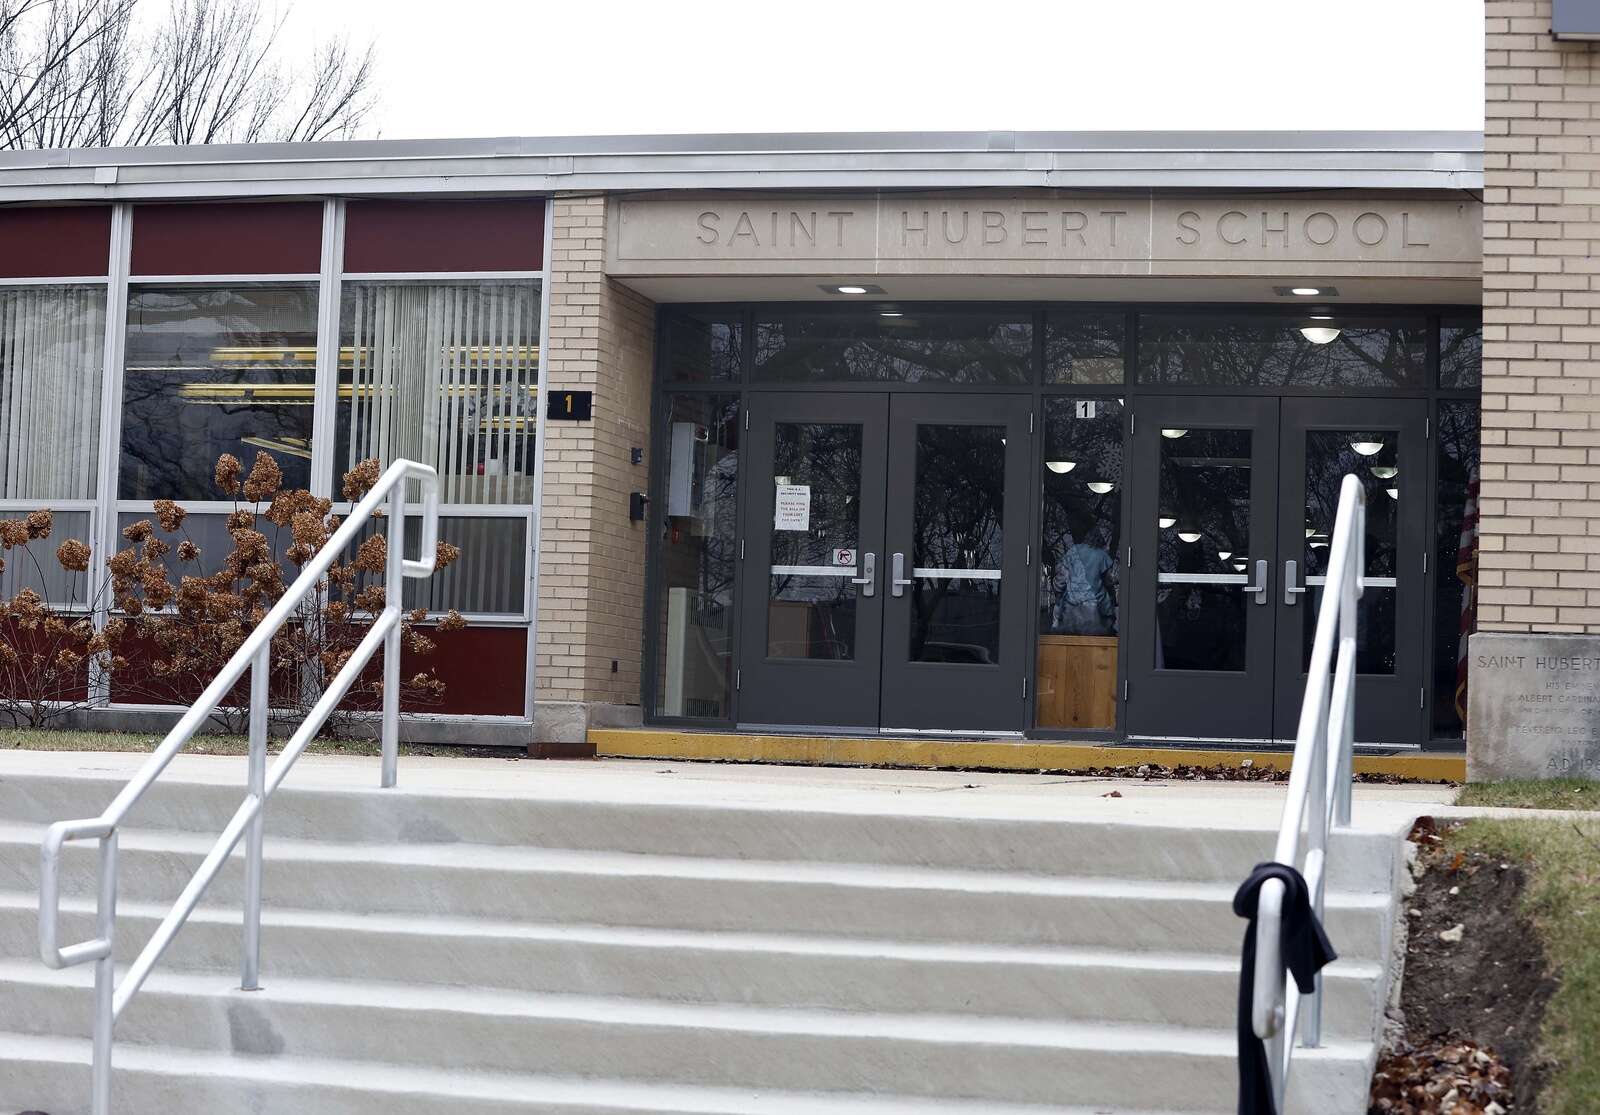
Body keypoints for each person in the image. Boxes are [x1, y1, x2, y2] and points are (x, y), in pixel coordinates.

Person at [1051, 514, 1117, 636]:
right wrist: (1113, 598)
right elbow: (1109, 582)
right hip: (1095, 608)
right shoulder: (1102, 555)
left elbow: (1061, 579)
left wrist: (1058, 593)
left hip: (1071, 607)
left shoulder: (1073, 551)